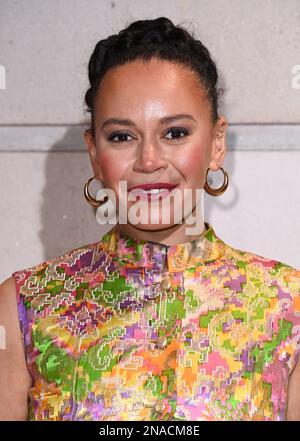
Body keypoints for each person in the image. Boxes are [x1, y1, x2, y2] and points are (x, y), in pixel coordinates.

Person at [0, 17, 299, 421]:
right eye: (122, 136)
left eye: (175, 133)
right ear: (94, 152)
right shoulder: (24, 306)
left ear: (216, 143)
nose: (149, 161)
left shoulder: (287, 305)